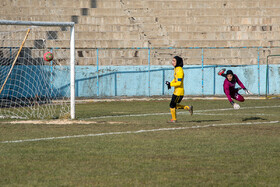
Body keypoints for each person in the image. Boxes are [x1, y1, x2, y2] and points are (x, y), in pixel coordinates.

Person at [165, 56, 193, 123]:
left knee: (172, 105)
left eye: (174, 61)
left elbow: (179, 83)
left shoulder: (179, 70)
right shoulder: (176, 69)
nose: (172, 62)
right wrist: (169, 83)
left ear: (178, 62)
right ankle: (188, 108)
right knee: (174, 105)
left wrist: (171, 84)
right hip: (176, 91)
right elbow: (175, 80)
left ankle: (174, 120)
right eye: (172, 61)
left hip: (179, 92)